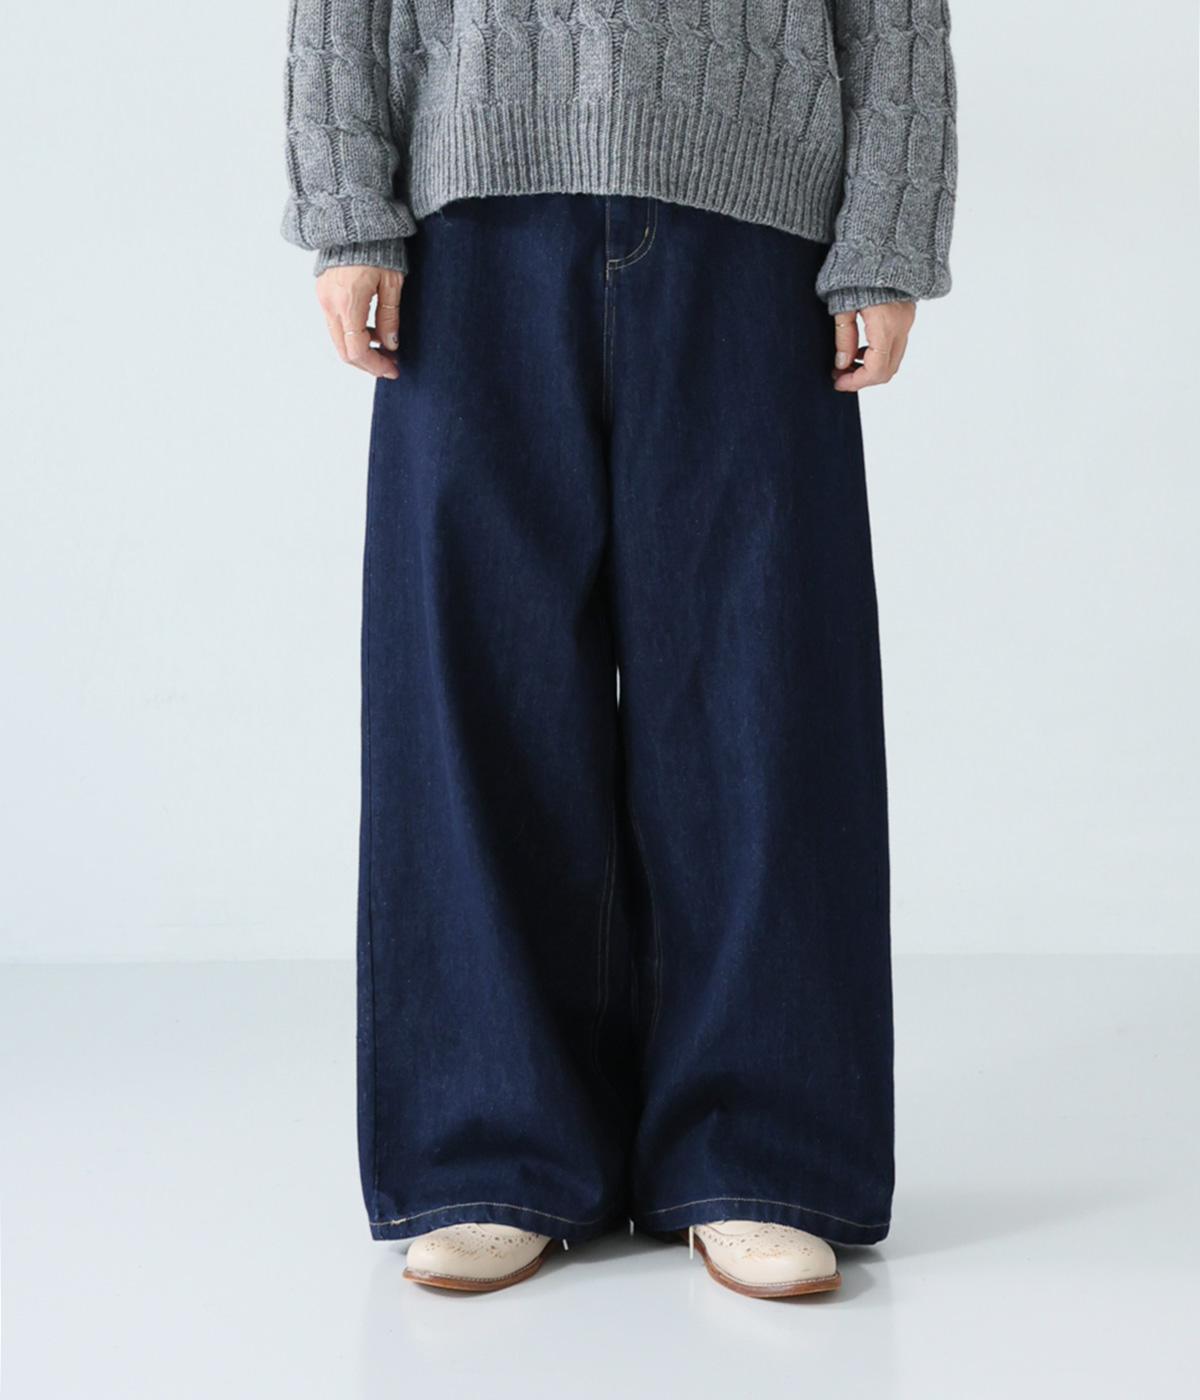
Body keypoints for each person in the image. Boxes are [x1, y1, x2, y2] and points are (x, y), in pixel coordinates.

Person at [281, 0, 956, 1298]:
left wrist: (887, 231)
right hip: (468, 213)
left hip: (757, 214)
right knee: (476, 695)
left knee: (761, 690)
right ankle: (492, 1147)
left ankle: (759, 1151)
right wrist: (349, 207)